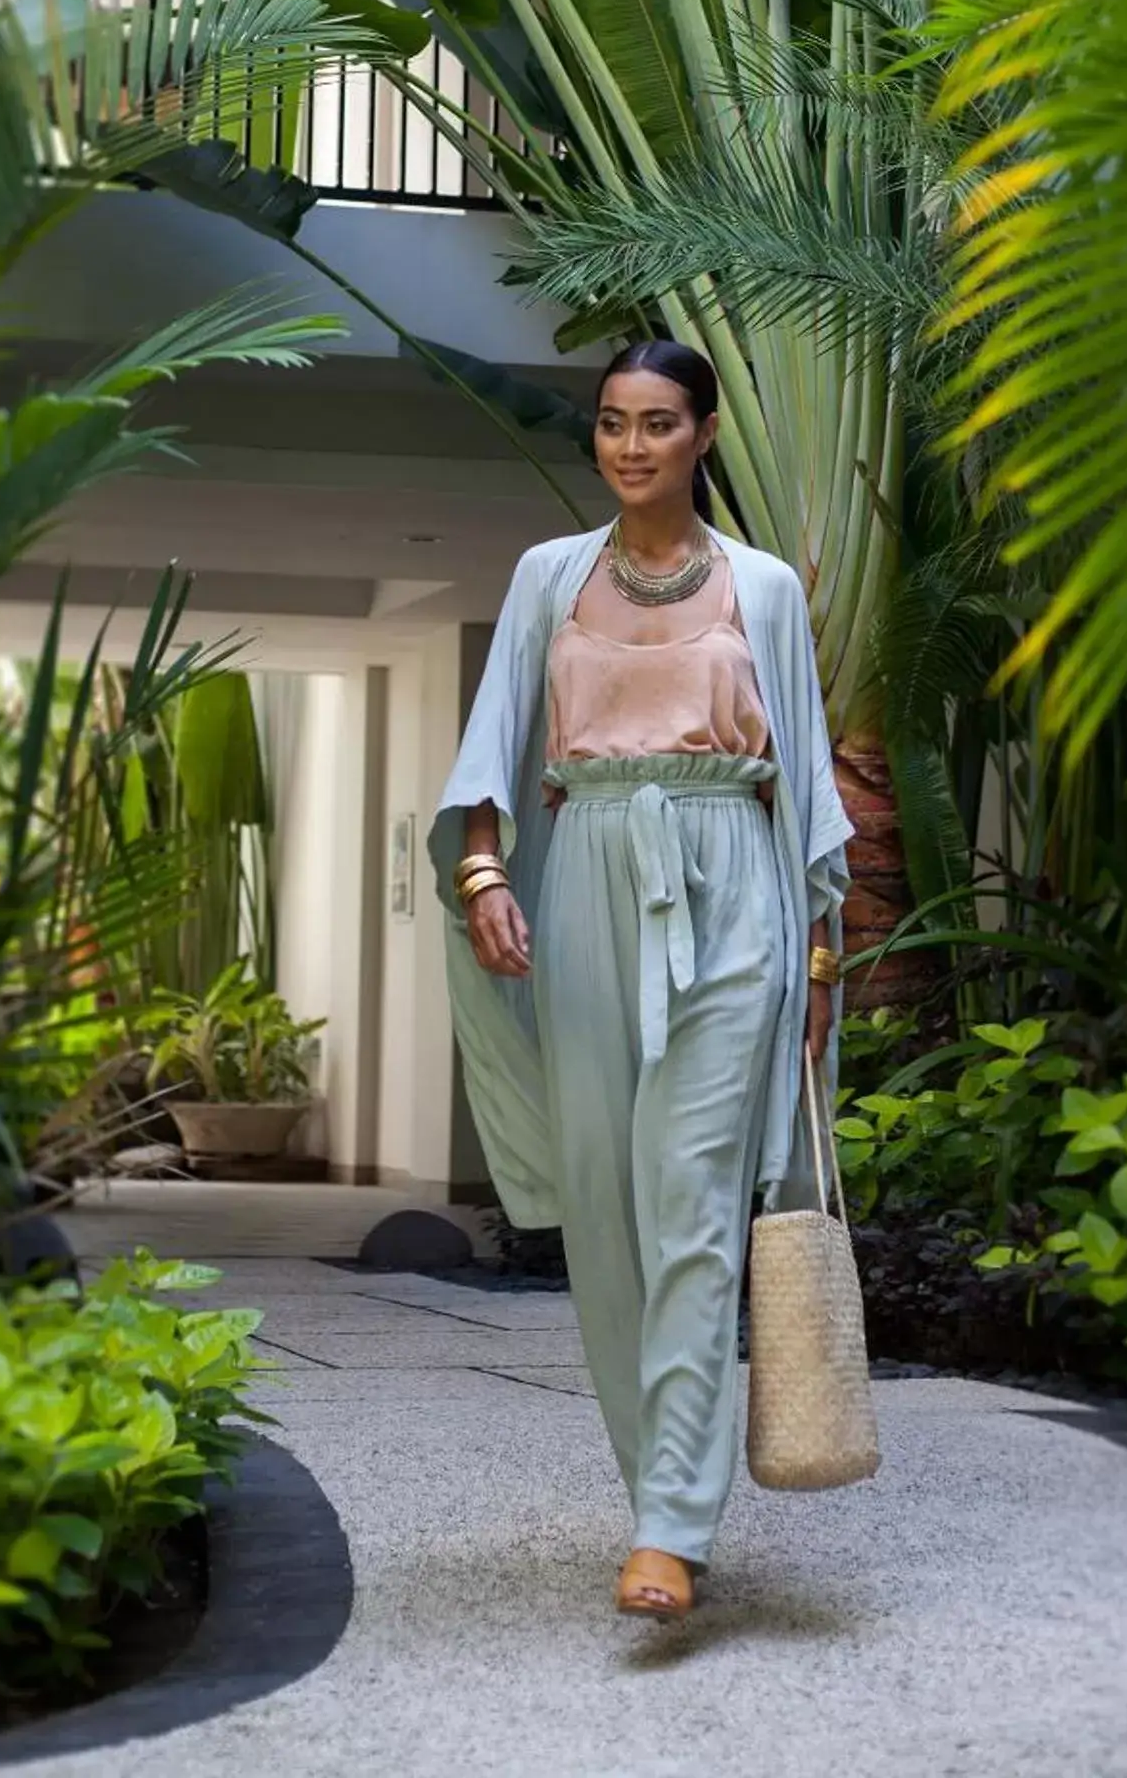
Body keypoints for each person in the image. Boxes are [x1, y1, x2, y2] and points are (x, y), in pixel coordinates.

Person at [429, 338, 851, 1621]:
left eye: (658, 423)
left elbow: (808, 782)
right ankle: (655, 1490)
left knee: (693, 1198)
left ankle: (674, 1522)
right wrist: (486, 877)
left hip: (731, 888)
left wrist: (818, 959)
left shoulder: (763, 588)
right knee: (609, 1215)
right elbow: (494, 745)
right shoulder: (547, 577)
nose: (629, 445)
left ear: (704, 435)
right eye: (612, 423)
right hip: (592, 878)